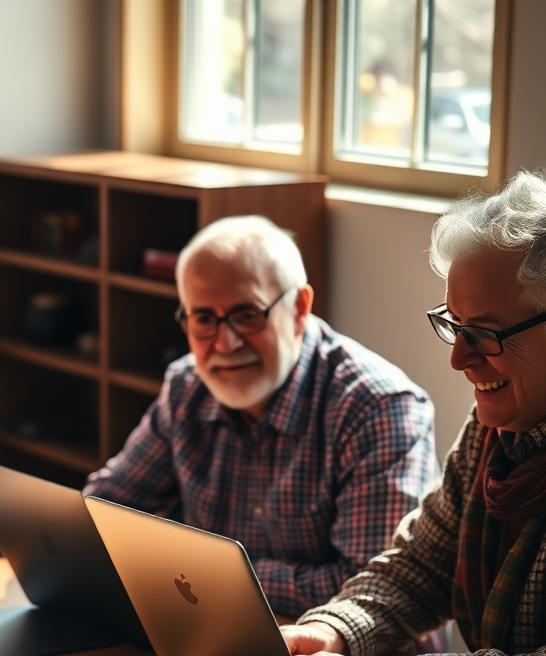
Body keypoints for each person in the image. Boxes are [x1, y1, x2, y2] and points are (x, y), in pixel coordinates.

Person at [284, 171, 546, 656]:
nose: (459, 359)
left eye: (487, 333)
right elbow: (423, 566)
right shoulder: (493, 434)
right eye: (455, 326)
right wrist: (332, 629)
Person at [84, 215, 438, 619]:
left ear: (300, 307)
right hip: (218, 630)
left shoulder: (377, 407)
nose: (226, 342)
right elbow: (104, 513)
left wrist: (205, 572)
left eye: (247, 314)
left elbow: (371, 588)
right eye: (203, 319)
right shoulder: (187, 386)